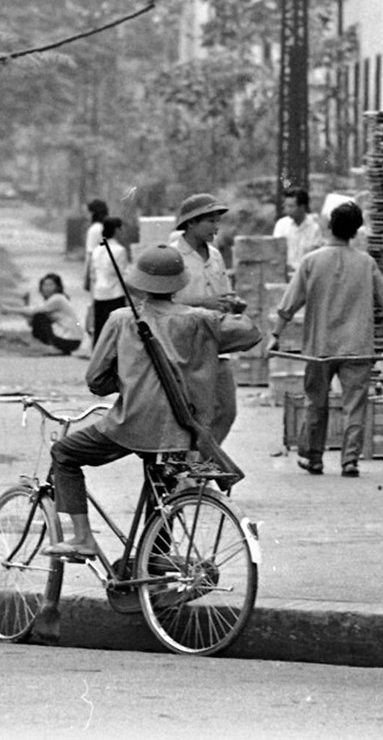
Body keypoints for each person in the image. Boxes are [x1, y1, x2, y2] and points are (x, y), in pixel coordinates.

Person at [40, 245, 262, 557]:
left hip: (133, 423)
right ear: (179, 284)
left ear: (139, 283)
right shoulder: (201, 320)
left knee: (63, 453)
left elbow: (96, 380)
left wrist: (130, 381)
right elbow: (251, 334)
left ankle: (82, 539)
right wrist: (232, 311)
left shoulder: (121, 320)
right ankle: (156, 567)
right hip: (183, 430)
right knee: (164, 491)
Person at [270, 201, 383, 477]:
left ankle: (314, 457)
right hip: (357, 347)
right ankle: (350, 460)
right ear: (356, 232)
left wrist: (275, 336)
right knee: (354, 404)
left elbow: (289, 303)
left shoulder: (311, 261)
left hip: (319, 347)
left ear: (330, 226)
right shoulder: (366, 263)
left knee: (315, 402)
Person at [170, 193, 247, 444]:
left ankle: (202, 462)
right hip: (185, 347)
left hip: (216, 343)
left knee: (226, 410)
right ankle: (191, 467)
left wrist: (232, 304)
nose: (216, 227)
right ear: (191, 223)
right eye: (210, 221)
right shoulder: (172, 257)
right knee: (193, 412)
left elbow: (222, 293)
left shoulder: (215, 256)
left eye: (217, 221)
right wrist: (203, 304)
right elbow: (162, 307)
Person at [0, 273, 83, 355]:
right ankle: (56, 347)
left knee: (39, 317)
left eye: (50, 285)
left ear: (58, 287)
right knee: (38, 317)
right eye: (44, 285)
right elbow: (31, 321)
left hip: (70, 340)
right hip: (73, 341)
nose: (47, 288)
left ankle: (53, 347)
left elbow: (33, 312)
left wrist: (10, 310)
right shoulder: (55, 300)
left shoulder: (57, 299)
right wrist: (26, 303)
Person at [88, 216, 128, 347]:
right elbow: (122, 275)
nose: (122, 232)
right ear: (116, 230)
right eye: (121, 229)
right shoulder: (120, 250)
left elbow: (93, 273)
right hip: (115, 294)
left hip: (99, 293)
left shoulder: (97, 250)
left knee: (100, 331)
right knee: (115, 332)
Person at [273, 188, 324, 275]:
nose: (287, 210)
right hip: (284, 273)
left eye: (291, 206)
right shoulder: (281, 225)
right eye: (286, 206)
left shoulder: (314, 228)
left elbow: (315, 258)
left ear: (302, 207)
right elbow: (275, 251)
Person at [83, 199, 109, 292]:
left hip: (96, 272)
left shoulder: (94, 230)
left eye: (88, 212)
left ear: (93, 213)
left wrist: (87, 278)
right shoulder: (106, 227)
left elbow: (91, 254)